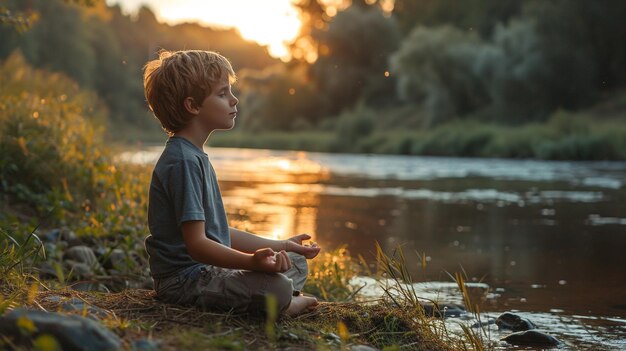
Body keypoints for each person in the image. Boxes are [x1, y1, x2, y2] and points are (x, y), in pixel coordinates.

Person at [142, 50, 320, 316]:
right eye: (223, 94)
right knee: (279, 287)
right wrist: (252, 262)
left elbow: (220, 232)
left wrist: (282, 244)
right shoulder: (182, 161)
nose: (234, 100)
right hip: (183, 279)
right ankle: (286, 303)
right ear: (193, 106)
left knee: (295, 262)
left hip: (207, 270)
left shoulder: (195, 155)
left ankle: (278, 295)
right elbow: (198, 245)